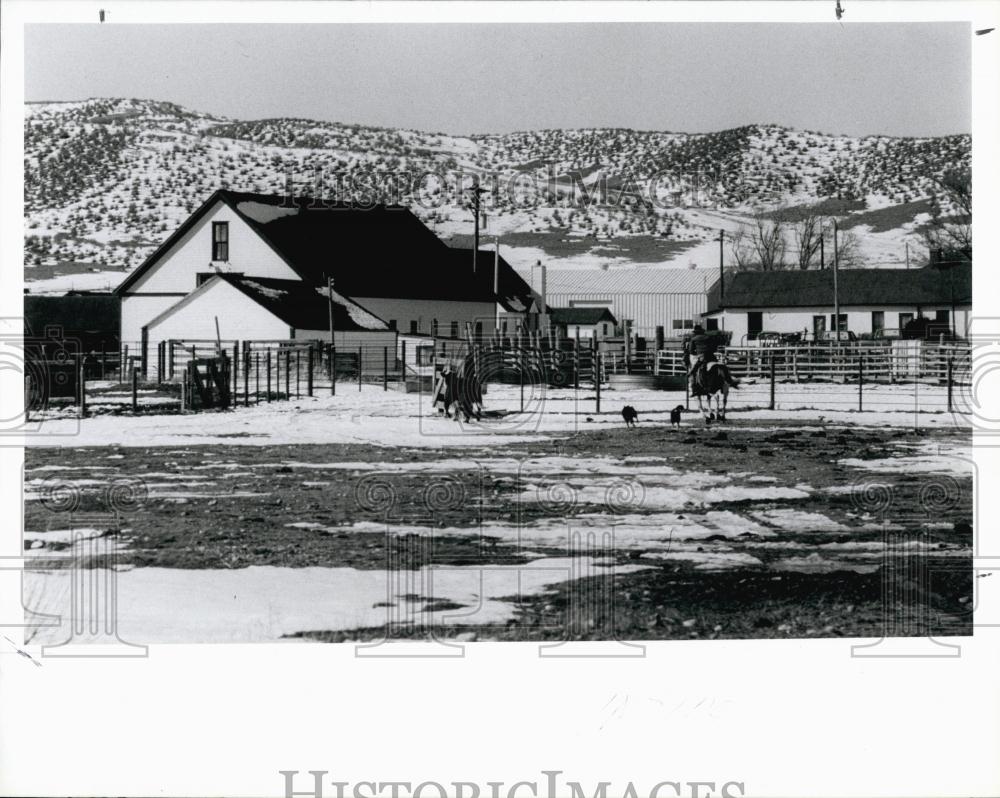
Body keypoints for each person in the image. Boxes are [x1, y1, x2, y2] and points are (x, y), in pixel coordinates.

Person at [684, 324, 720, 394]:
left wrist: (696, 353)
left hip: (701, 357)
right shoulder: (708, 337)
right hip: (711, 356)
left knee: (693, 371)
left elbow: (691, 351)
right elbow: (714, 347)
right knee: (719, 366)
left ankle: (694, 389)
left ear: (695, 332)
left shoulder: (694, 339)